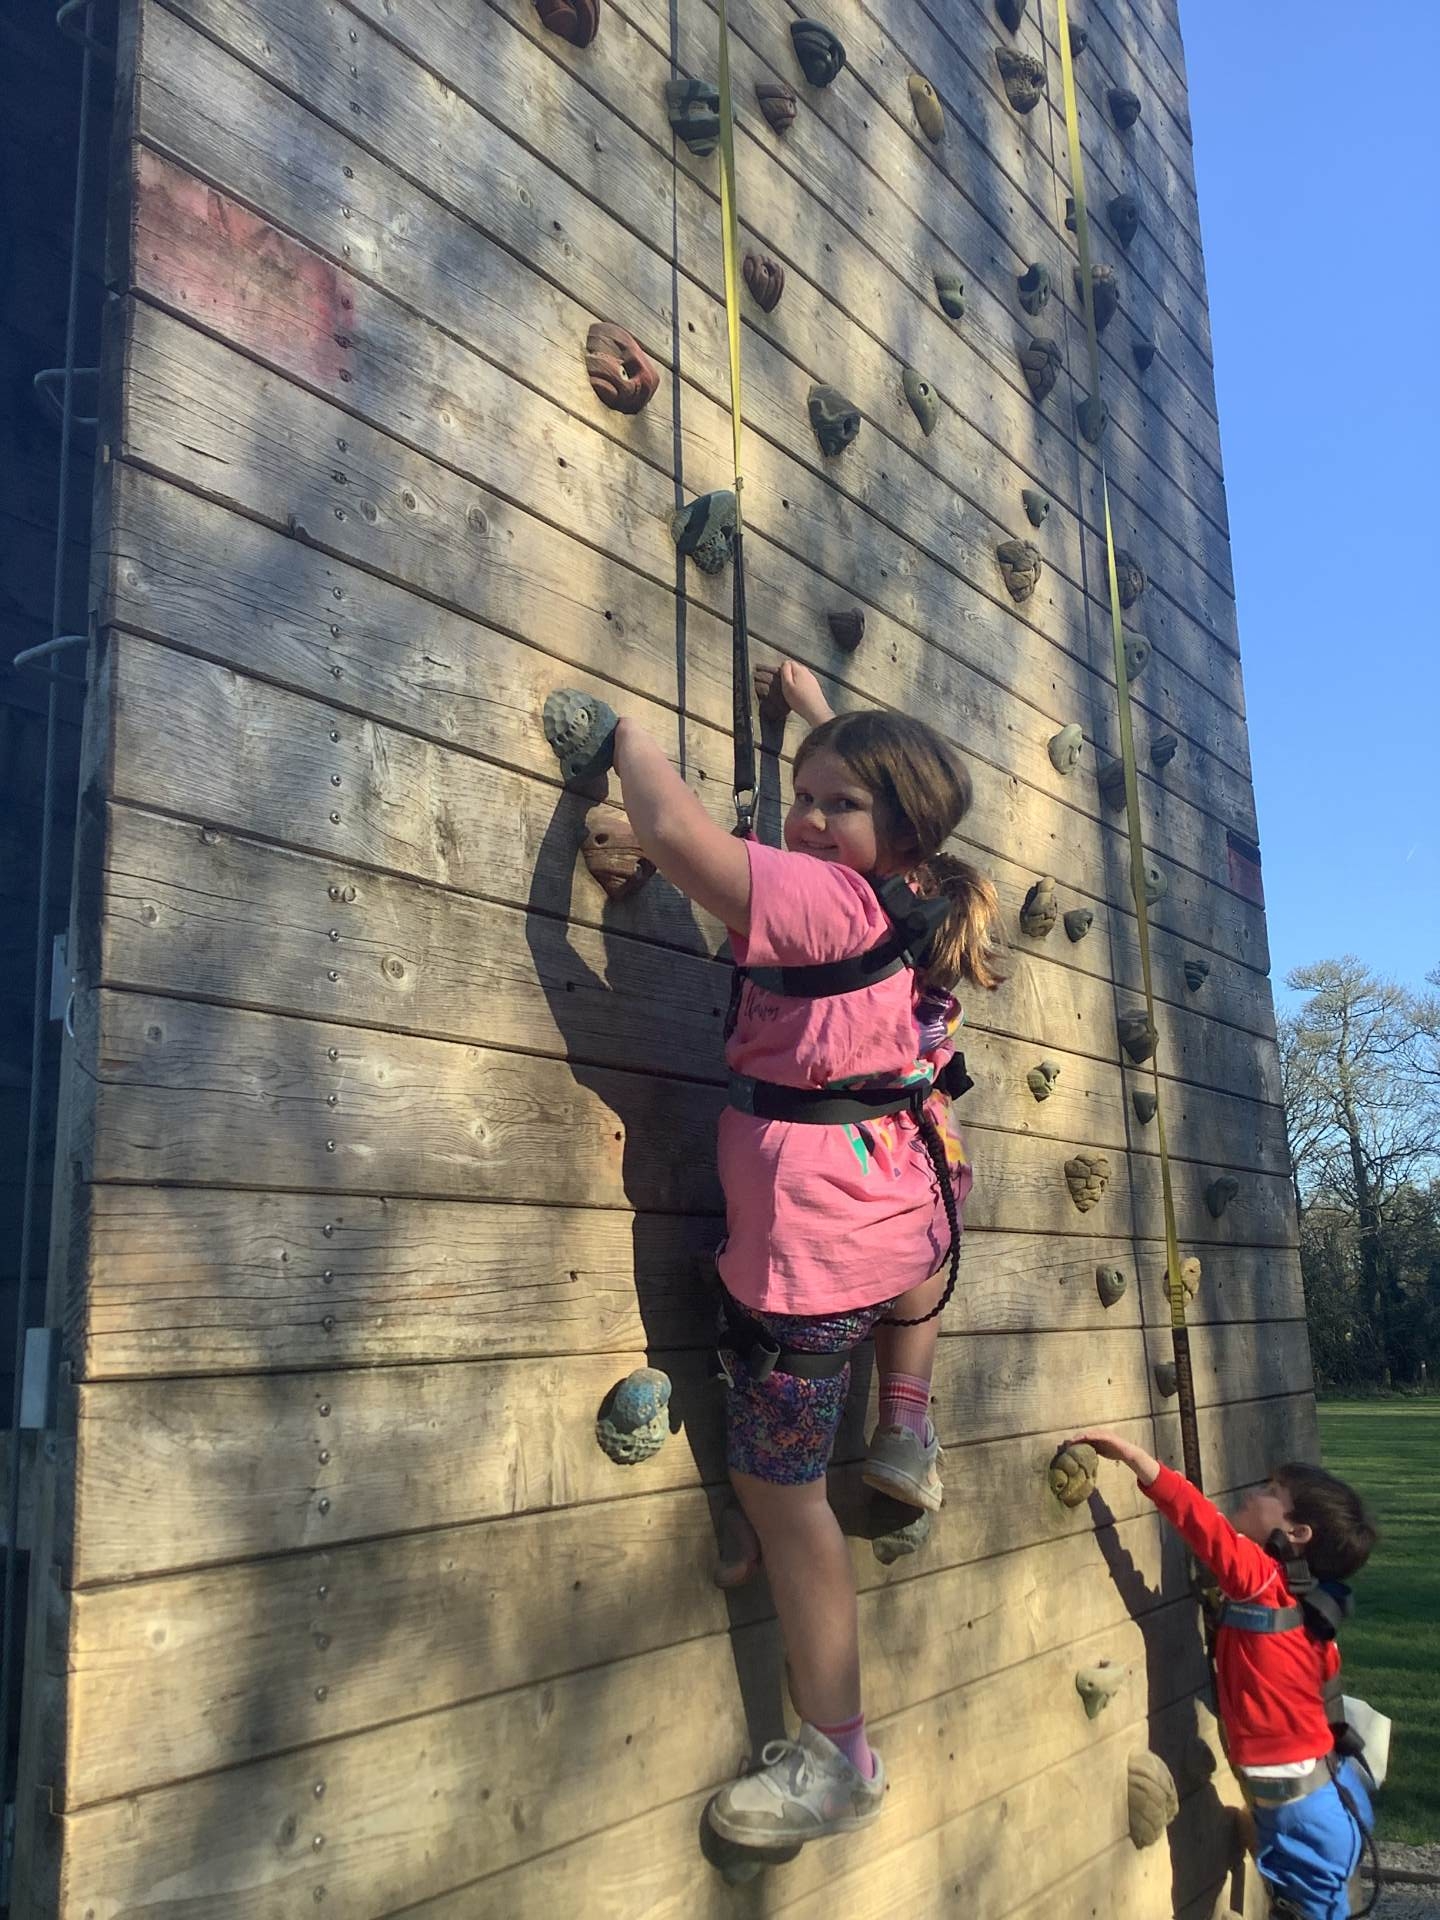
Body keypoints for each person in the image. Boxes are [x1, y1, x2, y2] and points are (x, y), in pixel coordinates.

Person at [547, 661, 1002, 1847]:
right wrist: (811, 708)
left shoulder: (828, 900)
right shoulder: (910, 892)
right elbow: (884, 785)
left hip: (810, 1258)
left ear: (900, 827)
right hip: (887, 1215)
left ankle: (838, 1757)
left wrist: (626, 732)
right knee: (897, 1282)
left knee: (786, 1496)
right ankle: (907, 1421)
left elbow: (670, 832)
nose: (806, 818)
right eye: (803, 797)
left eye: (836, 803)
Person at [1068, 1429, 1379, 1920]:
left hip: (1301, 1813)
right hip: (1327, 1798)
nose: (1254, 1493)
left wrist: (1136, 1459)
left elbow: (1202, 1523)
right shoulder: (1310, 1607)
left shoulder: (1258, 1578)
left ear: (1297, 1533)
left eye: (1272, 1492)